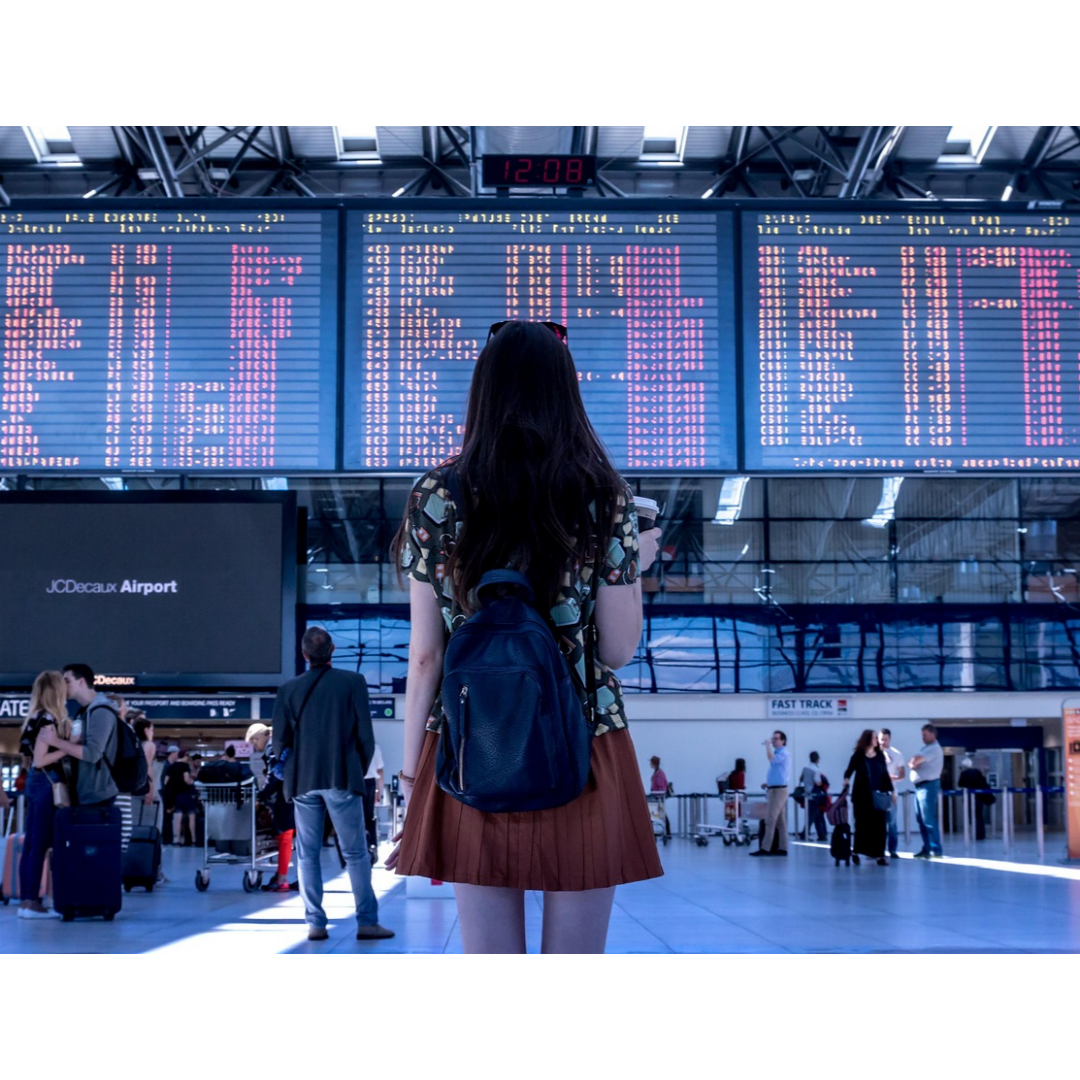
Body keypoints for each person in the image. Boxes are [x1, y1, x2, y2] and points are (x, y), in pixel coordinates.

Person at [387, 319, 664, 954]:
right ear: (566, 392)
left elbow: (426, 654)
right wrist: (632, 567)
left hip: (468, 743)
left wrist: (410, 775)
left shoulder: (437, 494)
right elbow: (618, 651)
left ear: (482, 391)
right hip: (585, 743)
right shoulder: (604, 497)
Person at [273, 626, 392, 942]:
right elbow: (366, 737)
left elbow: (278, 743)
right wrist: (356, 769)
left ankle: (315, 924)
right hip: (342, 776)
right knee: (355, 853)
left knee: (307, 854)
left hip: (302, 782)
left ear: (304, 654)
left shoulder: (288, 689)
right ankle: (367, 922)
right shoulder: (352, 683)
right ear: (333, 650)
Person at [17, 671, 71, 919]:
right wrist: (68, 748)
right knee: (39, 845)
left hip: (34, 783)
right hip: (48, 784)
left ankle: (26, 900)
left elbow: (30, 760)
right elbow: (40, 759)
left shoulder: (32, 718)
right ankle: (32, 902)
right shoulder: (48, 719)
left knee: (30, 844)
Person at [39, 663, 119, 809]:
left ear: (81, 681)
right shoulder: (85, 712)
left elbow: (92, 754)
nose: (63, 686)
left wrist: (55, 742)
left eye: (67, 681)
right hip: (86, 793)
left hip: (97, 795)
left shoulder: (101, 712)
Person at [245, 722, 297, 893]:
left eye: (254, 742)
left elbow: (276, 773)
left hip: (285, 796)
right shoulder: (283, 742)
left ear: (259, 737)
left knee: (284, 836)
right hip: (297, 792)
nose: (255, 746)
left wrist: (262, 794)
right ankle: (287, 876)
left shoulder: (272, 746)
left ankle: (282, 879)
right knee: (292, 837)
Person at [842, 730, 894, 866]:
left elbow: (885, 774)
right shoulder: (858, 756)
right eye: (874, 738)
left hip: (878, 795)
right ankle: (856, 851)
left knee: (880, 826)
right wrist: (846, 779)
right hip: (861, 796)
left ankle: (879, 855)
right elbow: (849, 770)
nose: (876, 740)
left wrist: (891, 791)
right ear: (867, 740)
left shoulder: (880, 755)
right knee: (862, 825)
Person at [750, 731, 790, 857]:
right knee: (780, 821)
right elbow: (779, 773)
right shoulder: (779, 753)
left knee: (770, 819)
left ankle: (765, 848)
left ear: (783, 740)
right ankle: (783, 848)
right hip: (775, 789)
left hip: (779, 791)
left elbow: (772, 761)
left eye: (776, 739)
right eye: (773, 739)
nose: (773, 741)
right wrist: (769, 783)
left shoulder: (783, 753)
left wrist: (767, 746)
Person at [909, 723, 944, 858]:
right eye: (922, 735)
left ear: (933, 734)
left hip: (928, 786)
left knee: (928, 819)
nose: (922, 737)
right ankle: (927, 848)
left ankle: (936, 849)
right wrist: (914, 762)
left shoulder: (934, 749)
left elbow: (915, 761)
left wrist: (914, 763)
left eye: (925, 735)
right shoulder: (925, 748)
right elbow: (911, 761)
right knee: (921, 820)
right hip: (920, 787)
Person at [878, 729, 905, 858]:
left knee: (892, 822)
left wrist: (894, 779)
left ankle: (892, 849)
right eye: (881, 739)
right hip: (877, 793)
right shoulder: (873, 754)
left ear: (890, 739)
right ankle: (877, 849)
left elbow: (902, 774)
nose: (883, 742)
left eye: (886, 739)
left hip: (891, 792)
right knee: (877, 823)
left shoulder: (897, 754)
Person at [165, 750, 198, 846]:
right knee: (192, 816)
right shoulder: (185, 766)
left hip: (176, 795)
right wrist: (193, 782)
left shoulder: (171, 766)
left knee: (177, 817)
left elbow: (166, 782)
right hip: (186, 794)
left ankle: (177, 839)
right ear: (185, 756)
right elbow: (186, 779)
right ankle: (193, 840)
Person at [957, 757, 992, 841]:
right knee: (979, 816)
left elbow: (960, 784)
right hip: (980, 797)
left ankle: (975, 833)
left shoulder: (964, 773)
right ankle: (981, 834)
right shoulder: (977, 772)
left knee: (972, 816)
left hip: (969, 797)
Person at [363, 742, 385, 865]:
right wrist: (379, 792)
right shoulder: (374, 746)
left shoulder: (348, 744)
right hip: (369, 784)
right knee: (369, 818)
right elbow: (380, 771)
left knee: (354, 819)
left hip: (353, 783)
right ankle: (372, 846)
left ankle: (359, 849)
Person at [799, 751, 828, 842]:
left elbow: (801, 779)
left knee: (817, 815)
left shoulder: (805, 768)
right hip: (814, 795)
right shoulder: (816, 770)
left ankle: (822, 834)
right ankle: (805, 833)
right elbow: (818, 782)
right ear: (817, 759)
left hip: (807, 794)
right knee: (812, 816)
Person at [649, 755, 672, 839]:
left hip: (659, 797)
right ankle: (666, 831)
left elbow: (661, 786)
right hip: (657, 796)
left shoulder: (659, 773)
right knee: (660, 813)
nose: (650, 764)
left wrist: (657, 794)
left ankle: (668, 832)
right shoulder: (657, 772)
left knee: (661, 814)